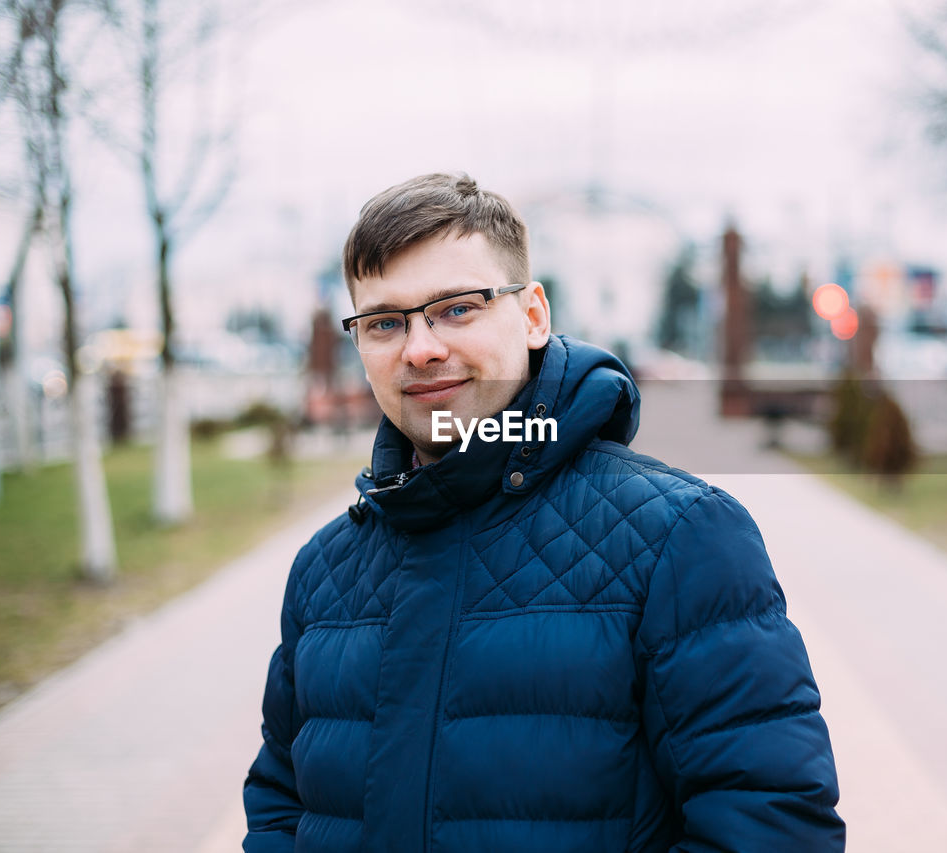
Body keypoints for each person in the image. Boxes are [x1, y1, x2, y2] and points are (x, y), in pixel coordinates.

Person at [242, 172, 844, 852]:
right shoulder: (324, 571)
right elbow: (279, 801)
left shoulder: (681, 538)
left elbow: (772, 825)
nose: (420, 348)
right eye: (385, 322)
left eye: (457, 308)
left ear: (533, 315)